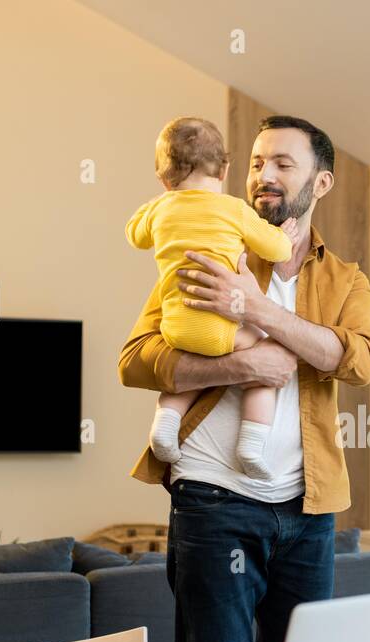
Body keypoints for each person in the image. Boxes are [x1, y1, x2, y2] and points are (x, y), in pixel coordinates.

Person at [118, 115, 370, 642]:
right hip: (212, 503)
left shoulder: (345, 280)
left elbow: (358, 361)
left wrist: (259, 310)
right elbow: (135, 362)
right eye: (258, 163)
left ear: (321, 183)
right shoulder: (210, 252)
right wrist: (240, 367)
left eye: (284, 165)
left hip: (308, 514)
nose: (265, 177)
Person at [125, 116, 301, 479]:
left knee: (188, 365)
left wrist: (158, 202)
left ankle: (164, 425)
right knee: (263, 352)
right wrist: (285, 235)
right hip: (220, 331)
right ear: (224, 169)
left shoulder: (161, 208)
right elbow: (277, 250)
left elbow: (135, 236)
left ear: (163, 178)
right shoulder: (235, 209)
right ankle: (251, 443)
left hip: (174, 328)